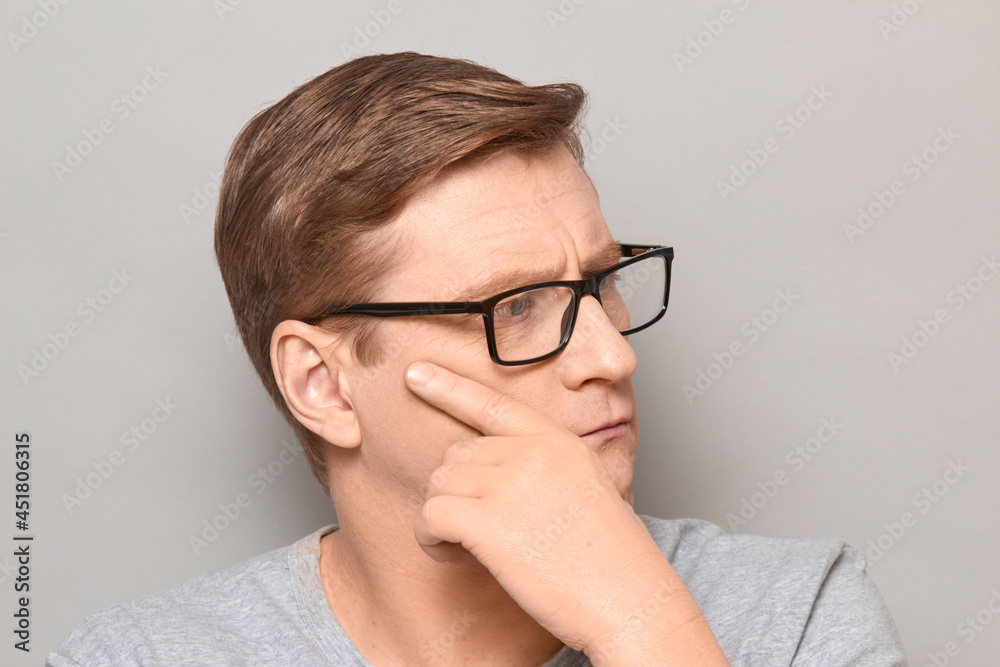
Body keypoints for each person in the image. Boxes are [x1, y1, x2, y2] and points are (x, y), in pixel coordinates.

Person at [47, 52, 907, 666]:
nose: (611, 354)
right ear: (324, 384)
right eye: (517, 306)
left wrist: (640, 625)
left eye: (603, 282)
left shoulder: (797, 615)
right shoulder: (137, 656)